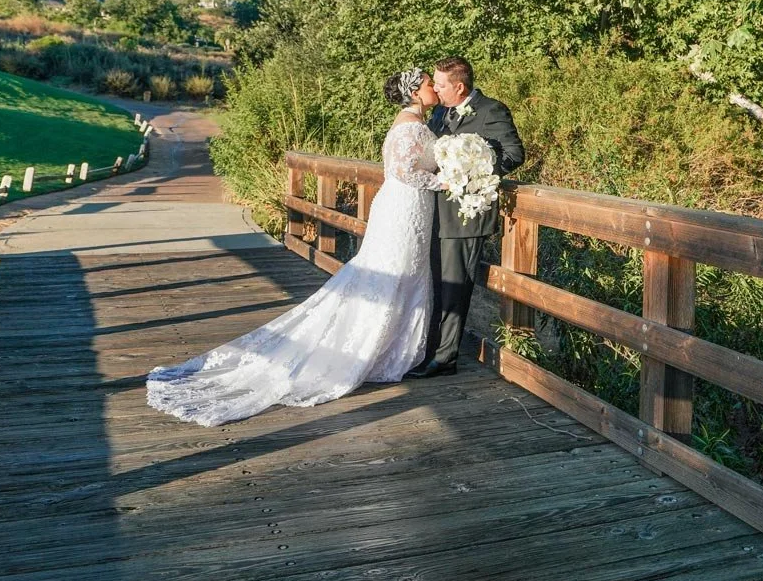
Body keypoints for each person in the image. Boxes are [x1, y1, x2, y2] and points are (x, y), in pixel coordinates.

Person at [146, 68, 444, 426]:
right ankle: (373, 352)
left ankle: (392, 351)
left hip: (409, 207)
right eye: (429, 84)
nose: (434, 89)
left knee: (404, 274)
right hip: (404, 207)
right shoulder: (410, 126)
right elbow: (406, 172)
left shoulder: (414, 121)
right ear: (414, 92)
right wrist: (451, 178)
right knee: (392, 273)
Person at [406, 57, 524, 378]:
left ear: (459, 86)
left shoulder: (492, 111)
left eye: (441, 85)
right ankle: (427, 350)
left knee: (456, 287)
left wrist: (472, 168)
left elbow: (514, 154)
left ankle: (445, 358)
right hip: (434, 213)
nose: (436, 90)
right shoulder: (440, 113)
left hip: (465, 214)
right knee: (435, 285)